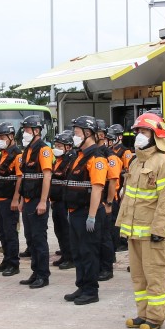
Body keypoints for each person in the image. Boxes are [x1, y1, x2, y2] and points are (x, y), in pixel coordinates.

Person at [116, 113, 165, 329]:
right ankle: (143, 314)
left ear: (156, 134)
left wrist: (159, 229)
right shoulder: (135, 161)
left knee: (156, 276)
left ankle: (156, 317)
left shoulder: (164, 162)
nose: (139, 135)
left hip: (154, 233)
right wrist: (123, 226)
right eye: (138, 131)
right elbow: (129, 197)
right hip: (135, 231)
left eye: (144, 131)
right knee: (139, 277)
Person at [63, 115, 109, 305]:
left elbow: (97, 188)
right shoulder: (79, 156)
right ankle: (81, 286)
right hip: (75, 212)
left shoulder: (97, 158)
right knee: (78, 252)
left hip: (87, 213)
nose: (74, 136)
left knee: (88, 252)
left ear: (88, 133)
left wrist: (91, 216)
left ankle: (91, 290)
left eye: (77, 132)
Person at [15, 115, 53, 289]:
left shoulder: (43, 150)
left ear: (37, 131)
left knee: (39, 239)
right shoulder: (27, 149)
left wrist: (43, 201)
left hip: (38, 200)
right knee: (30, 238)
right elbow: (24, 178)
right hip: (29, 200)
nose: (24, 133)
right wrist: (22, 199)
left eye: (27, 130)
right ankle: (35, 271)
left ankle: (43, 275)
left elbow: (46, 176)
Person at [0, 123, 22, 276]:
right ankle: (6, 259)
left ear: (11, 137)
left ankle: (13, 263)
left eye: (2, 137)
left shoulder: (17, 155)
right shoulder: (3, 153)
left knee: (10, 232)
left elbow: (20, 178)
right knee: (1, 230)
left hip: (10, 199)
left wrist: (16, 198)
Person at [95, 119, 120, 282]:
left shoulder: (110, 156)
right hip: (96, 201)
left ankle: (107, 268)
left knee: (105, 237)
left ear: (101, 135)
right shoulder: (94, 153)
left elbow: (112, 181)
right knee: (97, 237)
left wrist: (109, 202)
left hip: (106, 202)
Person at [49, 130, 76, 270]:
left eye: (60, 146)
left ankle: (70, 258)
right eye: (56, 145)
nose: (57, 148)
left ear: (68, 147)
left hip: (64, 201)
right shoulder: (58, 160)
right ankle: (64, 254)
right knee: (59, 230)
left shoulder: (71, 160)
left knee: (66, 230)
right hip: (56, 200)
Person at [106, 124, 131, 253]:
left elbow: (128, 171)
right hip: (113, 185)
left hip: (120, 185)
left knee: (119, 217)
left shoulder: (125, 152)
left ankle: (122, 241)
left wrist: (124, 189)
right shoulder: (109, 151)